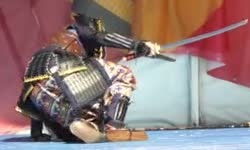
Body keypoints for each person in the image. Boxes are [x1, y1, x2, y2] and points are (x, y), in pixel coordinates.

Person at [15, 13, 161, 143]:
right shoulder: (80, 30)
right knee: (123, 74)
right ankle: (115, 127)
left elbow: (34, 89)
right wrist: (138, 45)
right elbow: (98, 37)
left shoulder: (48, 49)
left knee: (79, 121)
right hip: (65, 70)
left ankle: (84, 126)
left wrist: (37, 133)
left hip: (38, 95)